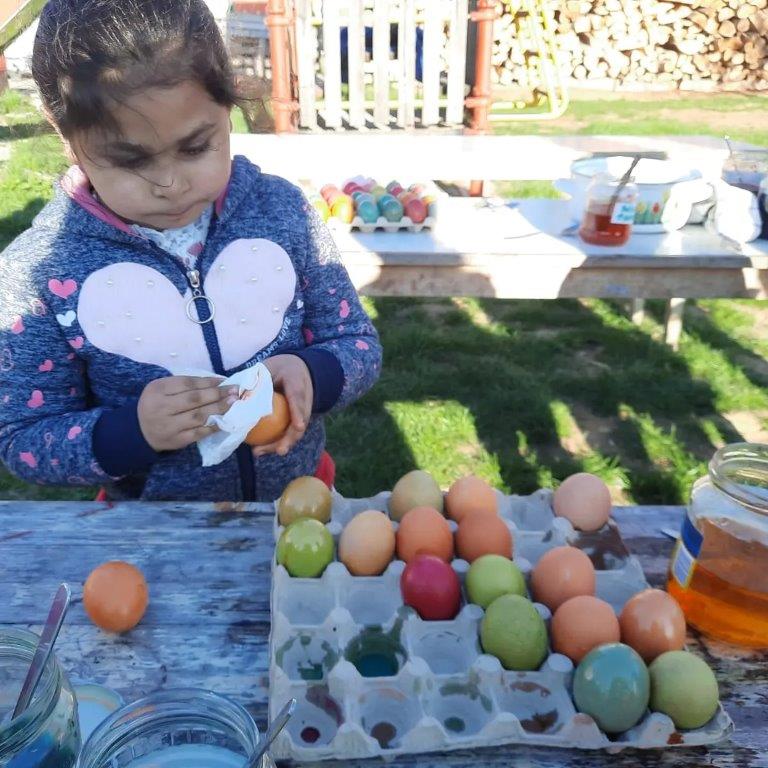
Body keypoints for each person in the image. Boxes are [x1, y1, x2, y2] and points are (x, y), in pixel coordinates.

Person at [0, 0, 382, 501]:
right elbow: (24, 438)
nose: (170, 184)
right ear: (64, 133)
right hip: (156, 535)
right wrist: (135, 431)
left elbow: (356, 341)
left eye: (195, 147)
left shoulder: (282, 213)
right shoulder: (40, 273)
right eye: (129, 161)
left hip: (299, 506)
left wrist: (314, 372)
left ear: (227, 103)